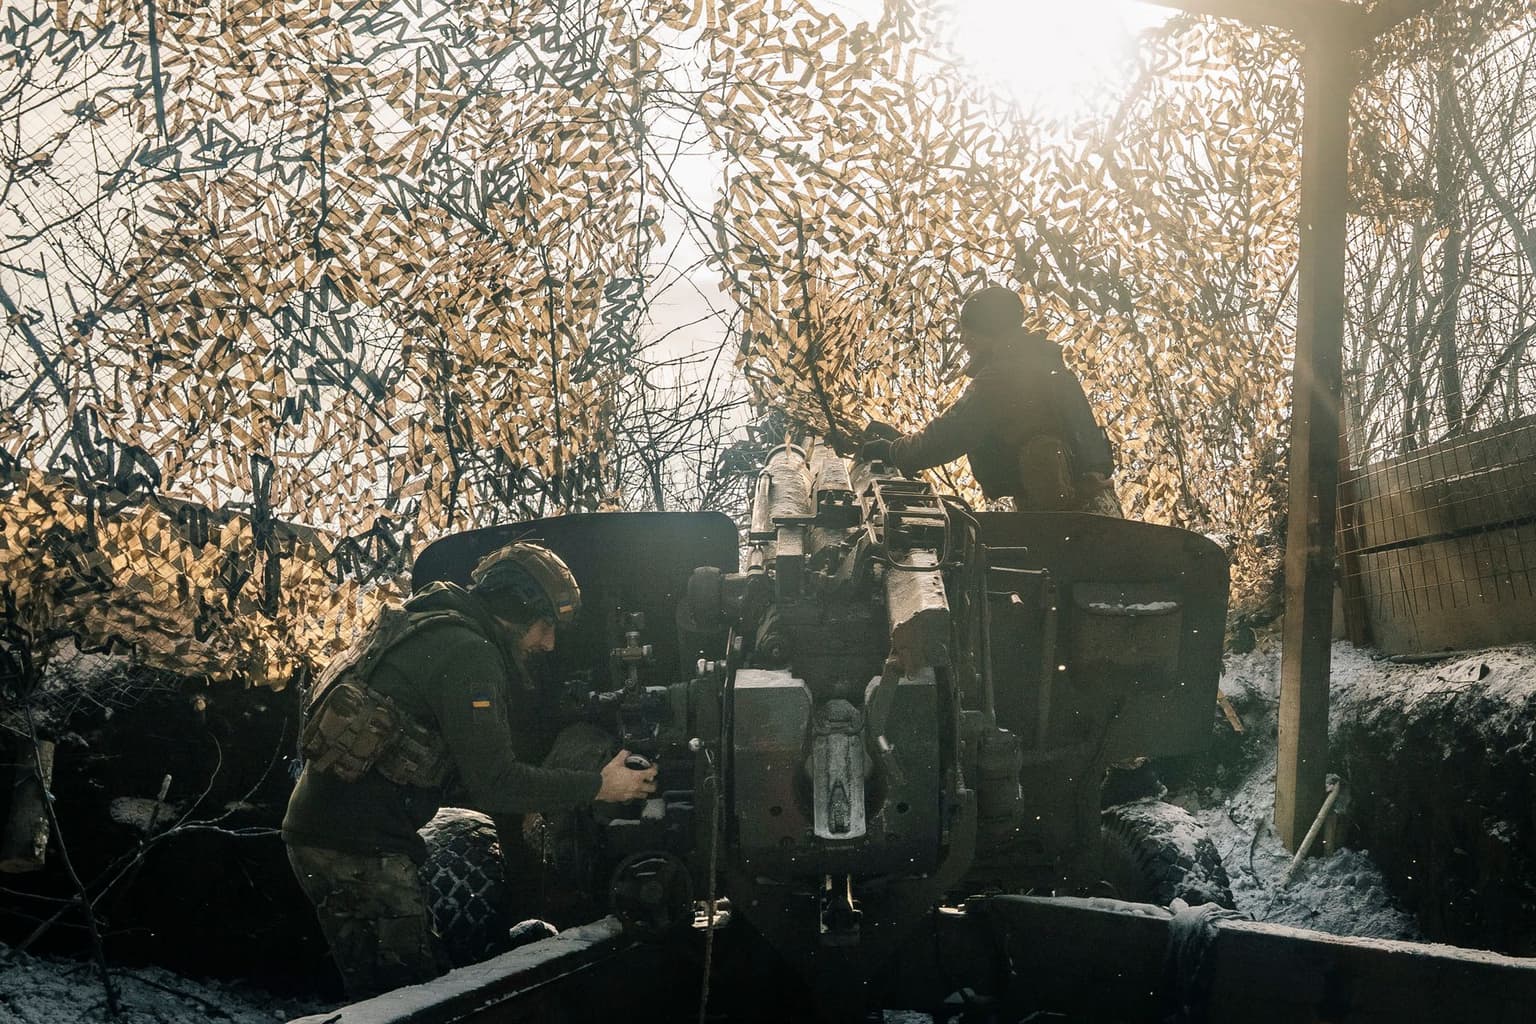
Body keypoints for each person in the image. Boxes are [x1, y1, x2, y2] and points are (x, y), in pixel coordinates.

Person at [282, 541, 656, 999]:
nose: (548, 643)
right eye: (545, 626)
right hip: (354, 848)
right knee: (409, 1001)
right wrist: (601, 785)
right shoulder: (469, 654)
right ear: (516, 609)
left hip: (332, 833)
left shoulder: (431, 619)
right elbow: (496, 784)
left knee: (405, 985)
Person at [860, 285, 1122, 516]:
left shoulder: (1006, 374)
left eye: (968, 333)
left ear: (987, 333)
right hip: (1098, 509)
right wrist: (904, 442)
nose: (964, 341)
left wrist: (895, 451)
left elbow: (952, 433)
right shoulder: (1041, 361)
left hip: (1068, 520)